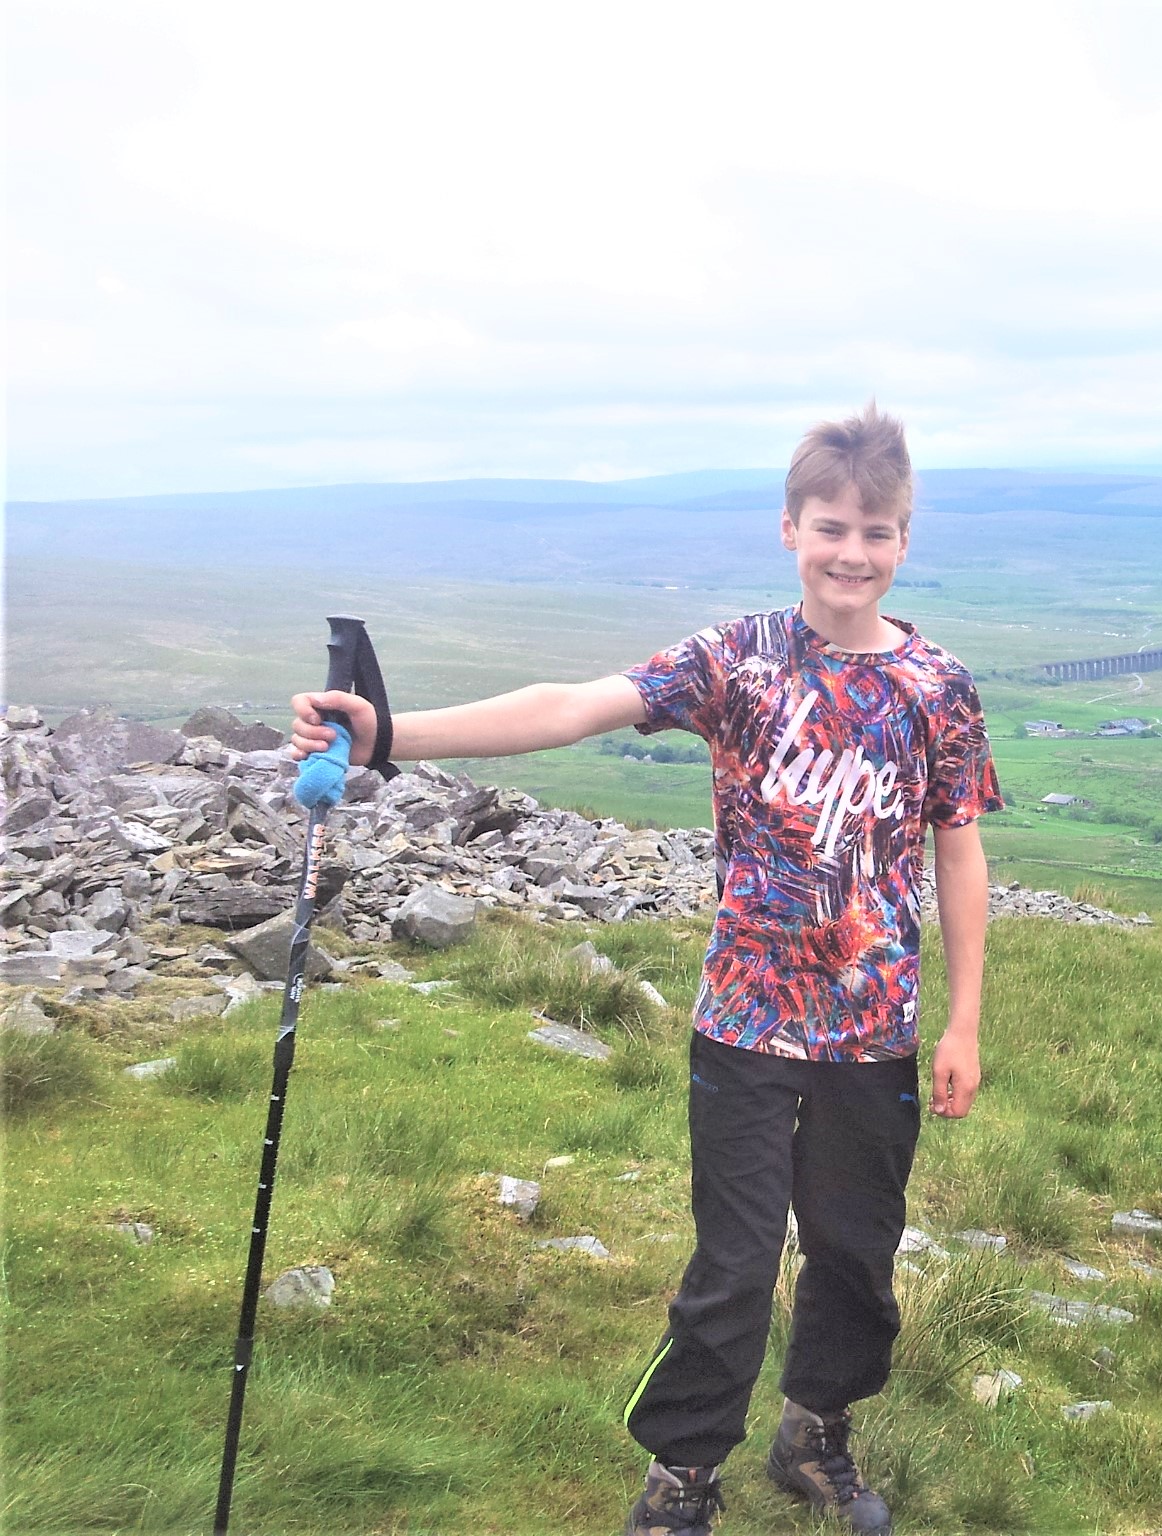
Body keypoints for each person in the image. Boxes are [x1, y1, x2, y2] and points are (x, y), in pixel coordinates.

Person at [289, 403, 1002, 1536]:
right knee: (731, 1263)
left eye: (874, 532)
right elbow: (571, 708)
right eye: (829, 527)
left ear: (903, 541)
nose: (850, 554)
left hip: (878, 1030)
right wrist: (388, 735)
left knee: (857, 1255)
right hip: (743, 1023)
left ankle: (815, 1432)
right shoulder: (734, 660)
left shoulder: (938, 688)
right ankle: (683, 1476)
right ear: (788, 529)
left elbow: (955, 851)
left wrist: (962, 1023)